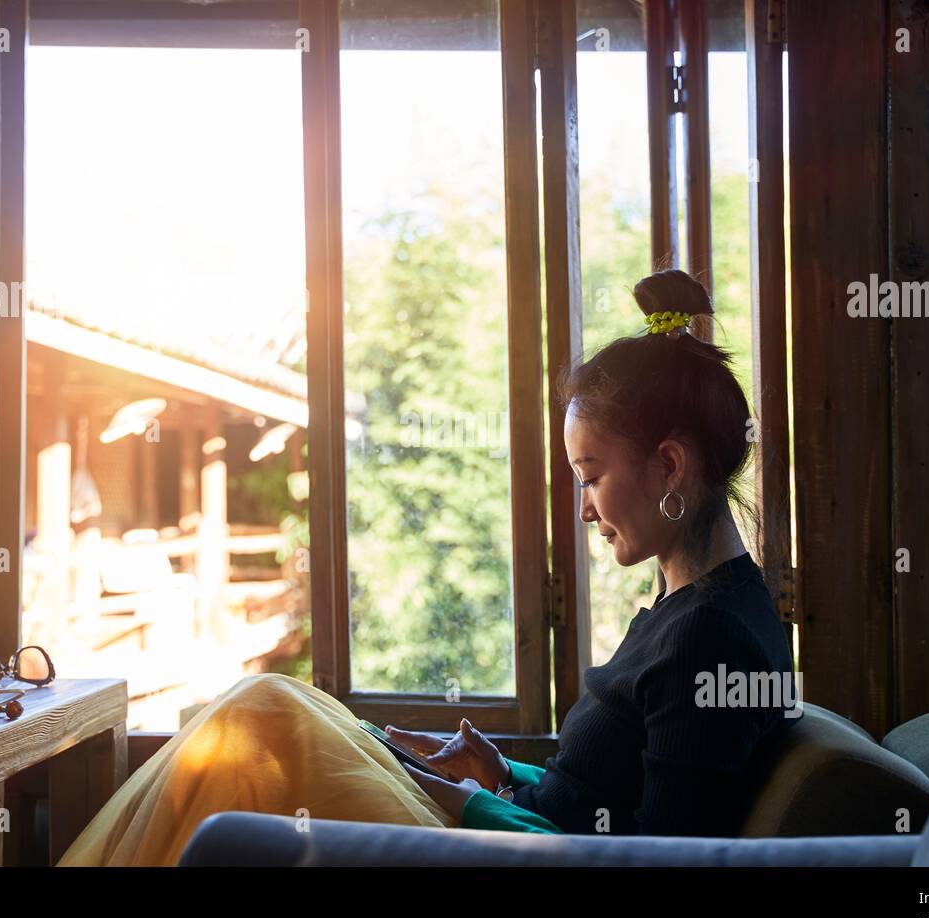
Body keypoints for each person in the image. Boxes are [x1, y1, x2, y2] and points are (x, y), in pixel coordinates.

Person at [56, 267, 798, 866]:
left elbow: (652, 862)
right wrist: (500, 775)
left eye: (590, 476)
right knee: (279, 705)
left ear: (669, 466)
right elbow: (597, 800)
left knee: (262, 720)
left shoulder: (713, 637)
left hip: (511, 854)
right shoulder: (685, 608)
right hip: (509, 826)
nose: (583, 509)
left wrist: (457, 803)